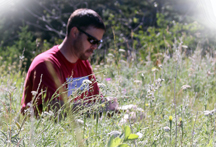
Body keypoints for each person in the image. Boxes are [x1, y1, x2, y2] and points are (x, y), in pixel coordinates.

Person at [21, 8, 118, 117]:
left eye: (98, 43)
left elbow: (95, 102)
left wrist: (121, 112)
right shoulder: (46, 63)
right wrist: (101, 107)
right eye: (92, 40)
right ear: (75, 33)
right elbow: (52, 109)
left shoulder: (83, 63)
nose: (95, 47)